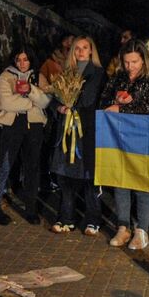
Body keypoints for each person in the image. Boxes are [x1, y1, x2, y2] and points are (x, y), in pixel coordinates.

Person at [100, 39, 149, 250]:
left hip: (143, 138)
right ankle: (123, 226)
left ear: (143, 60)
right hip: (119, 138)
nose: (130, 67)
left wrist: (125, 108)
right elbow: (104, 101)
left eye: (134, 62)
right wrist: (115, 101)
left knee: (142, 184)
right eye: (127, 62)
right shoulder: (118, 77)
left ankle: (142, 231)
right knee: (121, 182)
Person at [47, 36, 105, 235]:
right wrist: (60, 107)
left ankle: (93, 219)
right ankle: (66, 218)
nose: (80, 51)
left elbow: (90, 99)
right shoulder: (66, 73)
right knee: (64, 176)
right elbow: (53, 98)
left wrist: (73, 105)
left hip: (85, 131)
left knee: (88, 178)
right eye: (77, 48)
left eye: (85, 48)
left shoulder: (97, 73)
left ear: (91, 51)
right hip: (66, 130)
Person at [0, 49, 50, 226]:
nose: (22, 63)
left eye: (25, 59)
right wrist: (31, 102)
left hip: (34, 125)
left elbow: (45, 101)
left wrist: (30, 90)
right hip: (12, 125)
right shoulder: (6, 76)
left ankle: (31, 208)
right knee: (6, 163)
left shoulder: (38, 77)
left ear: (31, 60)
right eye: (18, 59)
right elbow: (5, 102)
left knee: (32, 167)